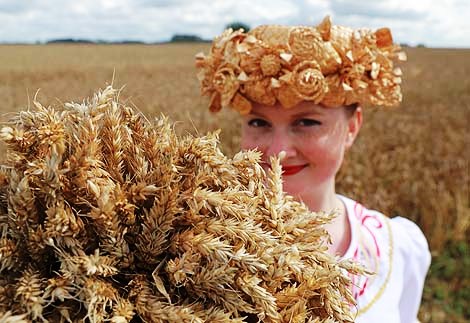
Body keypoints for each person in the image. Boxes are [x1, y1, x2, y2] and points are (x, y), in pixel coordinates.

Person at [195, 16, 431, 323]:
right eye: (259, 122)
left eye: (306, 122)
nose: (278, 150)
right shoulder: (197, 246)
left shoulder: (395, 249)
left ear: (352, 126)